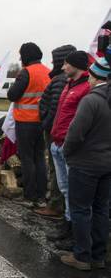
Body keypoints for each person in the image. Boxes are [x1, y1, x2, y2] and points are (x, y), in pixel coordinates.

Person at [60, 58, 111, 271]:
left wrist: (67, 152)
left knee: (80, 210)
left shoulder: (91, 101)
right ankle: (98, 256)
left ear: (94, 76)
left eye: (90, 75)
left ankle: (81, 256)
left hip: (85, 164)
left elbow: (75, 133)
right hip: (107, 164)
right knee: (101, 209)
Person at [39, 50, 90, 250]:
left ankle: (76, 234)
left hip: (70, 147)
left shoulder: (85, 88)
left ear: (76, 65)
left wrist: (70, 142)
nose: (62, 67)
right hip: (57, 144)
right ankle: (67, 226)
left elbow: (81, 121)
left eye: (66, 64)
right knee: (66, 190)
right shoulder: (69, 85)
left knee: (75, 193)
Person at [35, 44, 76, 220]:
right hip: (55, 129)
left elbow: (55, 108)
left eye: (55, 59)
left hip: (55, 132)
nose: (51, 62)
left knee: (56, 170)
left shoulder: (60, 80)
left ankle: (56, 205)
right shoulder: (61, 79)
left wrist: (46, 124)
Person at [7, 42, 51, 207]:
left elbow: (12, 95)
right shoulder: (48, 71)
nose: (19, 59)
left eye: (21, 55)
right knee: (39, 157)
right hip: (42, 121)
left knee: (27, 159)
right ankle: (41, 195)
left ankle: (29, 195)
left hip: (26, 121)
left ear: (26, 56)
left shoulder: (26, 72)